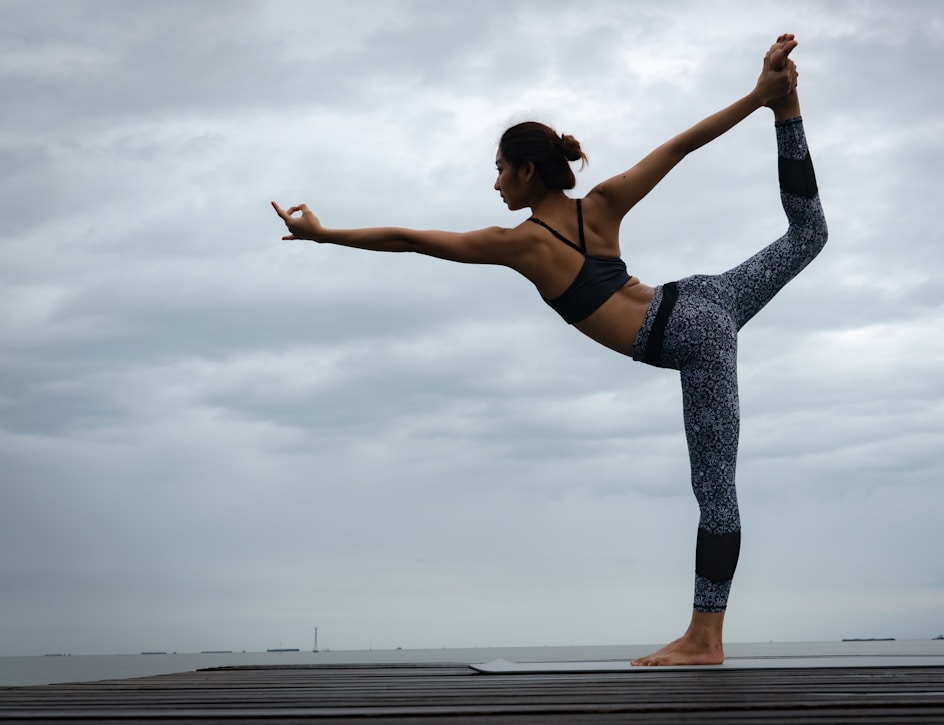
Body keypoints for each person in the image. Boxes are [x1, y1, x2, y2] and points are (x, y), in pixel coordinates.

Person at [272, 33, 827, 666]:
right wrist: (760, 98)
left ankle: (705, 639)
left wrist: (324, 236)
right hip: (710, 299)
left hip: (688, 335)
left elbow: (411, 239)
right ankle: (789, 109)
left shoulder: (521, 244)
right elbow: (680, 145)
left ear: (526, 170)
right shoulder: (603, 205)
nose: (497, 182)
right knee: (809, 234)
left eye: (501, 168)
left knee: (715, 491)